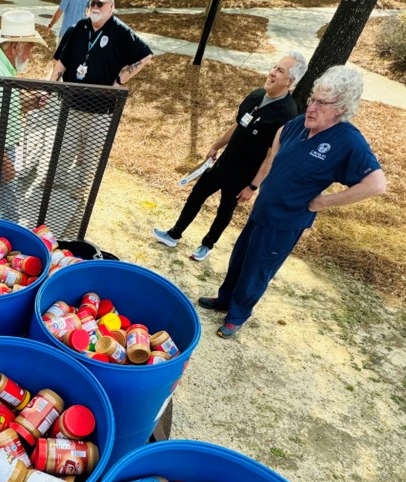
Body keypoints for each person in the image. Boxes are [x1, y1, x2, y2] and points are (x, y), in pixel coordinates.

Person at [198, 65, 387, 339]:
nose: (311, 107)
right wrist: (262, 181)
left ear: (341, 108)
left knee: (257, 270)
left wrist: (322, 202)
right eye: (312, 99)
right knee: (240, 258)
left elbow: (376, 185)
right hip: (263, 209)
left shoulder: (348, 142)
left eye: (322, 103)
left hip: (285, 221)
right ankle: (224, 298)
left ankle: (237, 315)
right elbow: (279, 139)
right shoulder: (300, 124)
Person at [154, 52, 306, 262]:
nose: (271, 73)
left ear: (290, 81)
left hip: (244, 175)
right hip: (224, 163)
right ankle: (173, 234)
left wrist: (253, 187)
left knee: (225, 209)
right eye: (274, 67)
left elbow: (272, 155)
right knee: (197, 194)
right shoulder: (255, 95)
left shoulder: (287, 114)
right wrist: (217, 145)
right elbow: (238, 124)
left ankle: (207, 245)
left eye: (280, 71)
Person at [49, 0, 152, 205]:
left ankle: (79, 189)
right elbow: (63, 59)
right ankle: (55, 182)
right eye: (92, 3)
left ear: (111, 6)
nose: (95, 7)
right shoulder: (80, 27)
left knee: (89, 153)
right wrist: (51, 84)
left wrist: (120, 81)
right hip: (72, 101)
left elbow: (146, 55)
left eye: (101, 3)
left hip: (100, 108)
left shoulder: (121, 31)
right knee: (65, 146)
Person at [0, 10, 47, 222]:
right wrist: (6, 164)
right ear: (14, 46)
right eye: (30, 47)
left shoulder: (2, 63)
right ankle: (4, 249)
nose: (31, 53)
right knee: (8, 210)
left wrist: (32, 103)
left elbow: (1, 111)